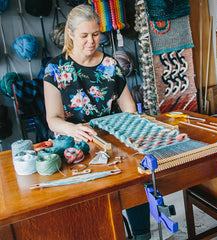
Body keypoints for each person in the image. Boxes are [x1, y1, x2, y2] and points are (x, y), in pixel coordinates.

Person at [43, 4, 151, 240]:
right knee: (94, 206)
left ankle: (142, 235)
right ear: (70, 34)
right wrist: (73, 128)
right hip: (77, 144)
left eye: (95, 34)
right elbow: (53, 119)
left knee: (135, 184)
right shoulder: (55, 69)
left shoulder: (110, 64)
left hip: (112, 138)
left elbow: (129, 107)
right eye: (84, 36)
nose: (91, 41)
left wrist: (135, 129)